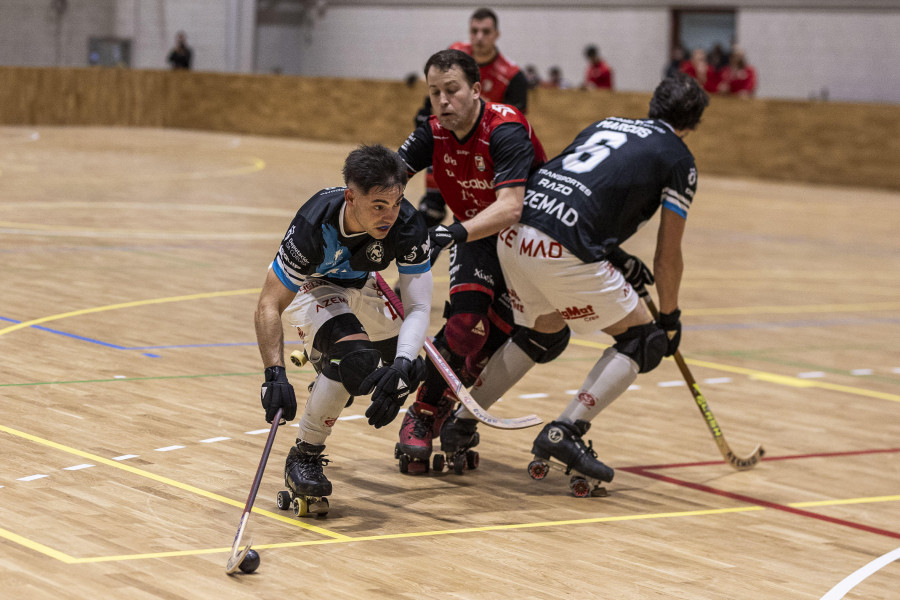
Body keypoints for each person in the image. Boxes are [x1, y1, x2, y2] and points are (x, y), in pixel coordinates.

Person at [440, 73, 710, 487]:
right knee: (644, 339)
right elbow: (667, 254)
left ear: (653, 104)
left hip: (515, 233)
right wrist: (670, 319)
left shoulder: (606, 123)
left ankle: (458, 422)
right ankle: (565, 431)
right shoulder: (680, 157)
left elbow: (566, 187)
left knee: (541, 332)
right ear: (692, 123)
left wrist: (612, 256)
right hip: (561, 248)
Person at [254, 145, 432, 508]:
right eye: (378, 206)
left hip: (361, 284)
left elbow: (419, 307)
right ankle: (304, 455)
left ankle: (329, 372)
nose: (389, 216)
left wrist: (400, 367)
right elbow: (269, 303)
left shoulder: (409, 224)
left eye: (396, 203)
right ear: (351, 197)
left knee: (410, 365)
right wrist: (274, 374)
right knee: (355, 358)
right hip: (314, 284)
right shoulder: (313, 224)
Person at [394, 49, 547, 472]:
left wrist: (448, 232)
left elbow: (511, 207)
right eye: (434, 92)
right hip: (476, 235)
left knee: (492, 338)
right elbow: (387, 179)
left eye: (452, 90)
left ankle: (454, 410)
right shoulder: (431, 132)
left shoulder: (506, 128)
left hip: (524, 239)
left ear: (476, 90)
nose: (442, 101)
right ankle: (423, 413)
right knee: (464, 329)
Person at [415, 7, 530, 230]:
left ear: (496, 35)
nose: (479, 37)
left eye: (486, 32)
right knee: (431, 211)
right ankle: (419, 259)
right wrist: (425, 111)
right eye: (474, 31)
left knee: (482, 215)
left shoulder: (512, 75)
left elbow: (513, 129)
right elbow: (437, 92)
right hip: (447, 144)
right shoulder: (455, 53)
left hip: (484, 154)